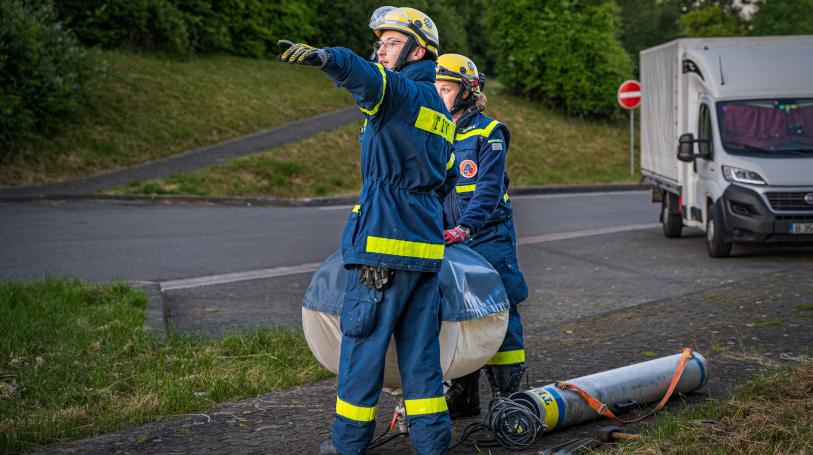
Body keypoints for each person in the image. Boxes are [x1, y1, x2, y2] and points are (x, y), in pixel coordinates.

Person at [278, 6, 457, 455]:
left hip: (381, 252)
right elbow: (448, 176)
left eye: (392, 42)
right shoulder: (439, 109)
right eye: (379, 42)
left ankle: (348, 445)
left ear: (418, 51)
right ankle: (433, 446)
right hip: (424, 254)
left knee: (361, 353)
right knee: (421, 360)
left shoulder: (399, 91)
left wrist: (328, 58)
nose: (381, 49)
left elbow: (366, 78)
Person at [435, 54, 529, 419]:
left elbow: (488, 190)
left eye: (446, 88)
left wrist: (465, 227)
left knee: (501, 308)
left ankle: (508, 396)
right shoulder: (435, 133)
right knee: (459, 312)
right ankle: (463, 394)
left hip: (487, 236)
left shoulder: (489, 132)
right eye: (435, 88)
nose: (439, 95)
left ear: (467, 91)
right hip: (451, 239)